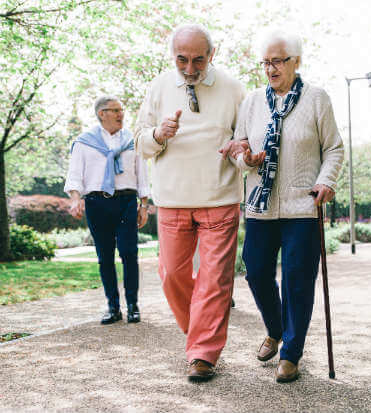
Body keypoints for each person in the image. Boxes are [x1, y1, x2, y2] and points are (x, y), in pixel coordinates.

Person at [225, 30, 343, 382]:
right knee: (257, 271)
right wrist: (246, 158)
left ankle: (291, 353)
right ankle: (275, 329)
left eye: (278, 61)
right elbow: (240, 151)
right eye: (265, 62)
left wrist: (326, 181)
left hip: (302, 207)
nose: (270, 68)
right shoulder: (252, 103)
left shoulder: (317, 99)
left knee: (297, 280)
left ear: (296, 61)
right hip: (261, 205)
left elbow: (334, 148)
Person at [134, 24, 245, 381]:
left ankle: (203, 353)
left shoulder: (233, 89)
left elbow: (244, 141)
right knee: (170, 275)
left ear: (212, 55)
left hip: (219, 197)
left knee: (215, 281)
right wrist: (157, 134)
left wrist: (241, 151)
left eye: (198, 59)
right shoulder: (158, 86)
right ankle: (199, 331)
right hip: (171, 198)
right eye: (182, 59)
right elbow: (140, 142)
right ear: (173, 56)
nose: (190, 68)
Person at [65, 96, 150, 325]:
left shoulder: (133, 140)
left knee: (129, 252)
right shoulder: (84, 142)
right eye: (114, 110)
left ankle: (132, 305)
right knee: (105, 258)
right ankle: (113, 307)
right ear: (101, 114)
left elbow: (142, 174)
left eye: (121, 110)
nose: (120, 114)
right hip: (97, 203)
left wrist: (144, 205)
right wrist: (75, 199)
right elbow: (75, 174)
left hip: (126, 202)